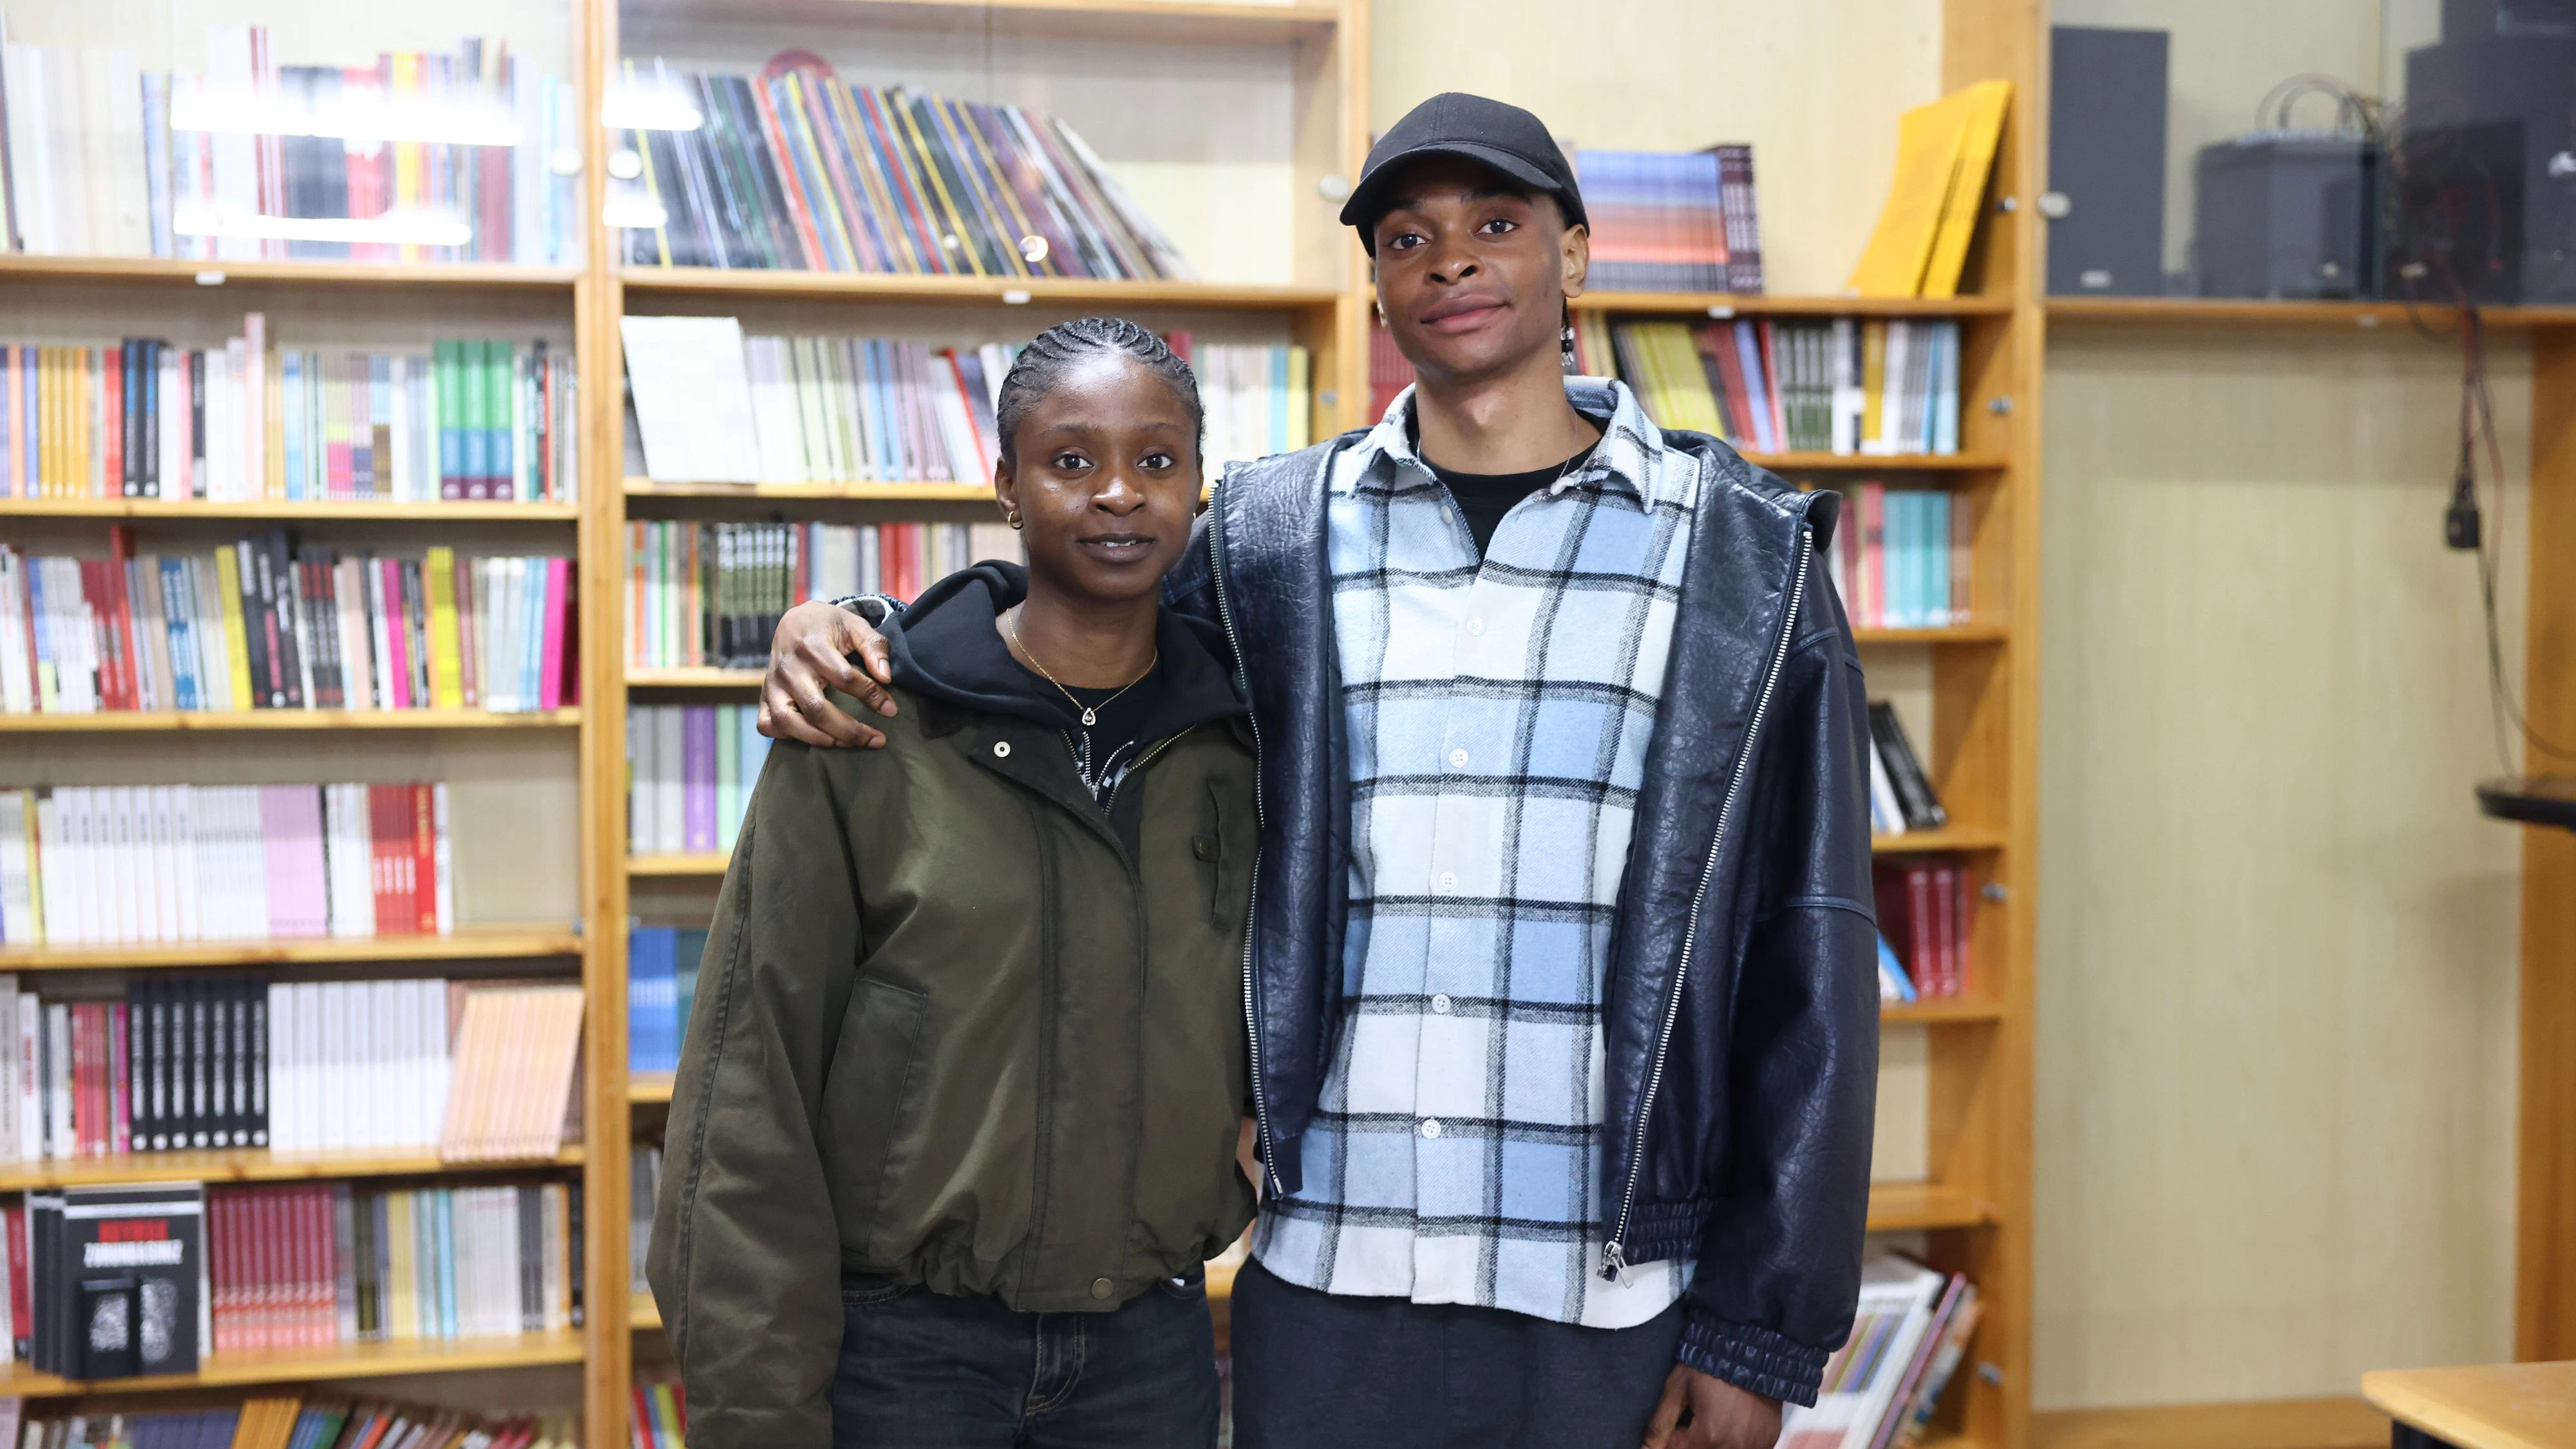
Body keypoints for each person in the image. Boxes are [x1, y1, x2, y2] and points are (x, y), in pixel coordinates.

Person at [757, 93, 1879, 1449]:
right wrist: (872, 631)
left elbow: (1808, 961)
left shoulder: (1746, 560)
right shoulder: (1271, 537)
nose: (1451, 259)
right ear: (1377, 284)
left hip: (1607, 1287)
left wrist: (1752, 1331)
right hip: (1327, 1269)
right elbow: (1075, 637)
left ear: (1571, 256)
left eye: (1496, 224)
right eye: (1409, 235)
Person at [646, 318, 1263, 1449]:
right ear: (1007, 487)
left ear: (1199, 487)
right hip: (908, 1355)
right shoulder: (867, 724)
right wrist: (757, 1413)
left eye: (1157, 460)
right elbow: (747, 1094)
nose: (1119, 492)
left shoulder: (1243, 742)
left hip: (1151, 1354)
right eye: (1071, 460)